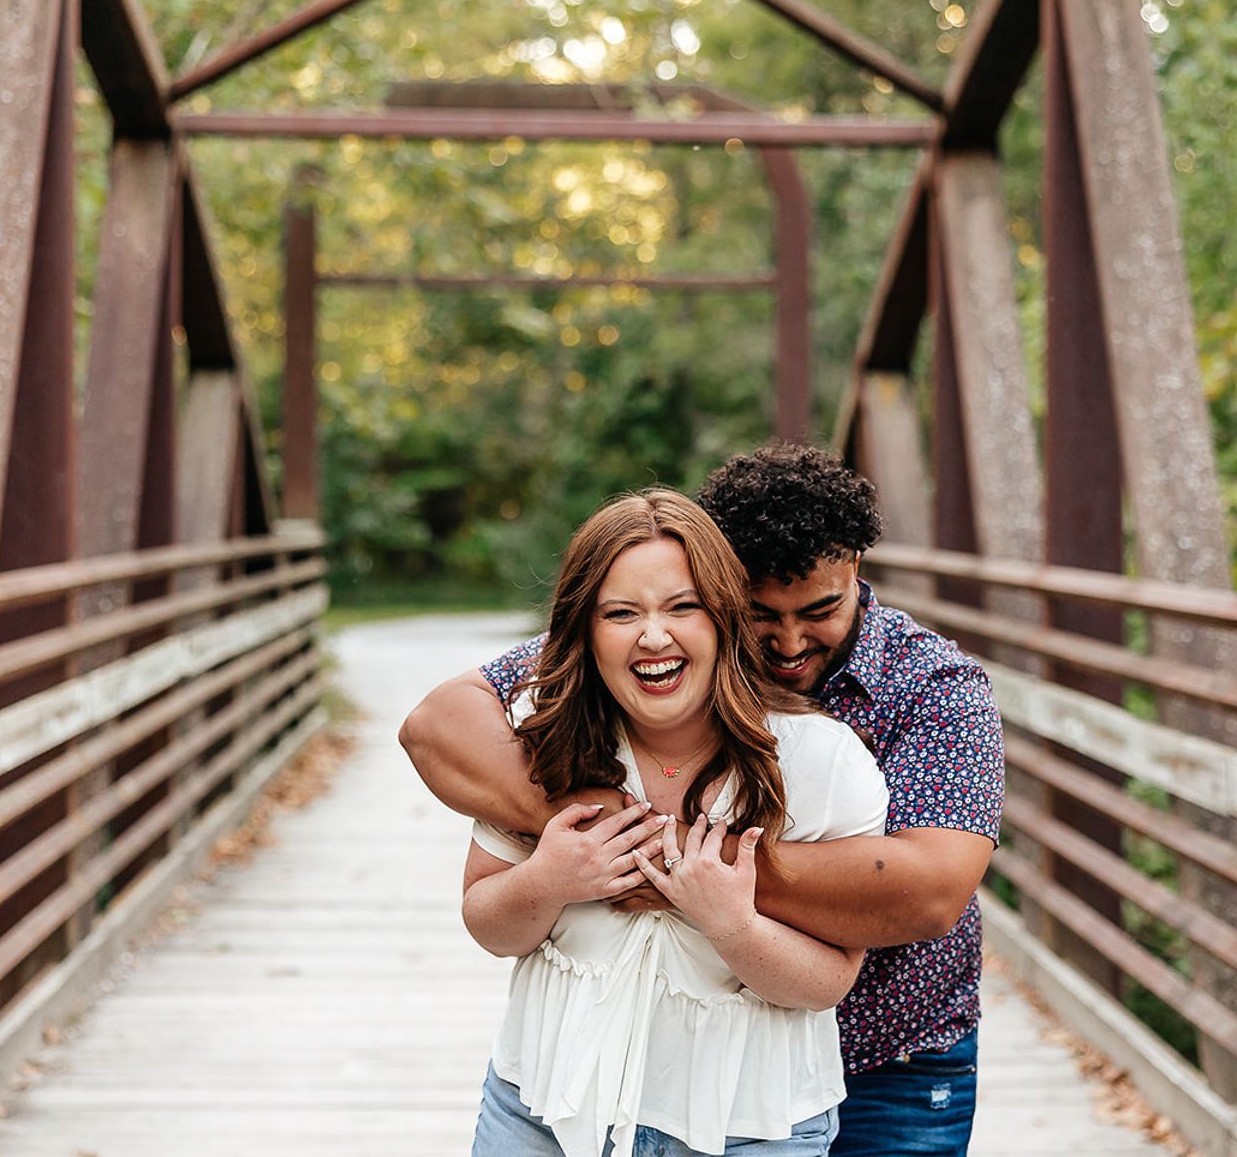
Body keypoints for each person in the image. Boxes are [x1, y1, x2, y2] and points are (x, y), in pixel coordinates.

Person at [405, 444, 1004, 1157]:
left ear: (857, 574)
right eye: (758, 613)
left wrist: (686, 867)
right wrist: (593, 837)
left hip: (887, 1052)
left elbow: (929, 894)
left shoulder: (932, 687)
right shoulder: (648, 646)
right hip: (641, 1071)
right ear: (720, 594)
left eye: (820, 609)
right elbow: (440, 723)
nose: (787, 643)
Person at [462, 489, 890, 1157]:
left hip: (751, 1130)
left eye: (682, 608)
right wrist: (545, 881)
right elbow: (487, 923)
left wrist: (732, 923)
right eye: (621, 613)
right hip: (542, 1114)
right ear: (585, 630)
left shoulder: (821, 761)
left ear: (724, 617)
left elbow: (829, 981)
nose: (653, 636)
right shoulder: (539, 738)